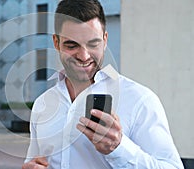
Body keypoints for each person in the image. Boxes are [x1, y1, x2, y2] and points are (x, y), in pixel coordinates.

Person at [22, 0, 184, 168]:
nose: (84, 56)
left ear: (105, 40)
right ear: (56, 43)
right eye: (72, 45)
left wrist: (118, 148)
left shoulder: (140, 99)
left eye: (93, 44)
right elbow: (35, 160)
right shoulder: (43, 104)